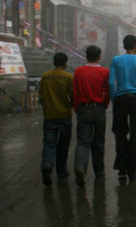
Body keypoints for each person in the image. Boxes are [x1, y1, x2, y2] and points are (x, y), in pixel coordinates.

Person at [109, 35, 136, 181]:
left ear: (124, 45)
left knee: (120, 134)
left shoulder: (116, 60)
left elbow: (110, 83)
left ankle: (122, 167)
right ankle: (132, 172)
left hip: (120, 99)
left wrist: (115, 99)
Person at [73, 45, 110, 186]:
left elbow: (75, 92)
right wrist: (104, 105)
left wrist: (76, 107)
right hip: (99, 109)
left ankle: (80, 166)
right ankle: (99, 171)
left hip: (83, 109)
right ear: (99, 57)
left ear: (86, 56)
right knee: (99, 142)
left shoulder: (79, 71)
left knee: (83, 142)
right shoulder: (104, 72)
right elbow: (107, 91)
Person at [39, 52, 73, 186]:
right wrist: (70, 105)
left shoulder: (45, 76)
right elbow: (73, 96)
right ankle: (61, 170)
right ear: (65, 63)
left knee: (49, 144)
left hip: (49, 116)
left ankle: (47, 165)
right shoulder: (69, 77)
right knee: (63, 146)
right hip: (64, 115)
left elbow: (41, 96)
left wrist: (47, 107)